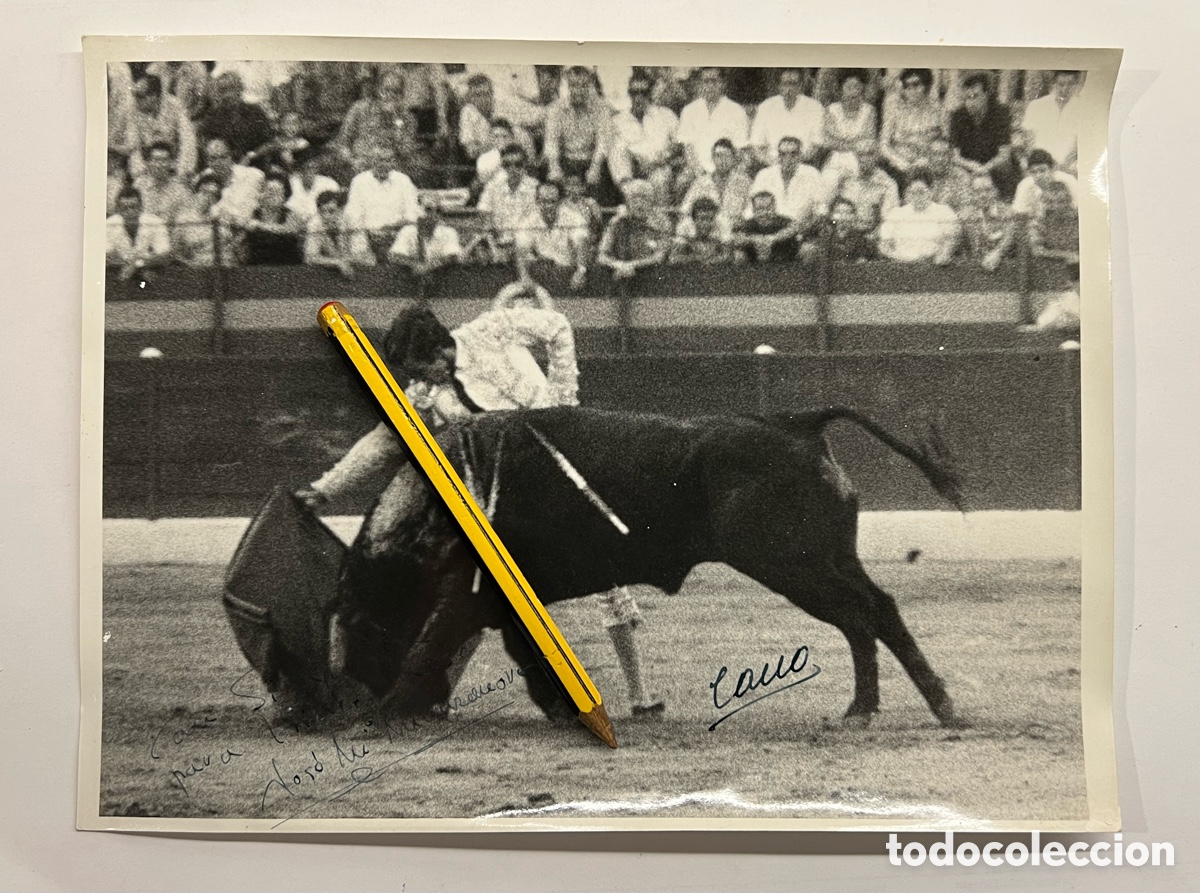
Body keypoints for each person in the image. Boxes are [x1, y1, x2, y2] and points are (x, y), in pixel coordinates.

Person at [301, 293, 663, 718]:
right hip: (507, 497)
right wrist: (326, 489)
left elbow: (557, 326)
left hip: (558, 468)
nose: (424, 382)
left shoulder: (489, 330)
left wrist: (561, 404)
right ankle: (437, 696)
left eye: (423, 369)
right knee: (476, 582)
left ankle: (640, 695)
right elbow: (386, 439)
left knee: (606, 579)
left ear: (438, 351)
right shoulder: (426, 391)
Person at [342, 144, 422, 265]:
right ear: (371, 161)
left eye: (388, 160)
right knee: (358, 239)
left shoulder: (403, 180)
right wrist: (371, 232)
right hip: (368, 234)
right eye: (379, 160)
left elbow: (413, 213)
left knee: (410, 232)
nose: (383, 164)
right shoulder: (359, 181)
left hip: (397, 233)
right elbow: (353, 215)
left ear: (393, 162)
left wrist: (393, 227)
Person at [544, 66, 614, 201]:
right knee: (552, 177)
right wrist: (554, 166)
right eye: (574, 85)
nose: (578, 91)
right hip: (566, 160)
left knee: (598, 183)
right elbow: (551, 141)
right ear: (568, 85)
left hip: (590, 159)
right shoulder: (555, 109)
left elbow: (603, 142)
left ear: (590, 85)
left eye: (583, 86)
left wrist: (595, 167)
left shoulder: (601, 109)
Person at [608, 71, 679, 205]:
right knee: (618, 149)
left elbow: (679, 145)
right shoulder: (618, 120)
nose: (639, 97)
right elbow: (616, 152)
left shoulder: (666, 115)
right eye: (635, 92)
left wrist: (659, 161)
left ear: (650, 93)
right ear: (630, 94)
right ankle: (630, 196)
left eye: (643, 92)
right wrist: (636, 161)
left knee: (660, 178)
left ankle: (659, 220)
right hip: (631, 170)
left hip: (660, 166)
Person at [745, 136, 827, 250]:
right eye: (783, 154)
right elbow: (750, 208)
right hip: (767, 230)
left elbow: (821, 210)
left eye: (793, 154)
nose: (788, 158)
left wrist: (804, 228)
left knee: (808, 249)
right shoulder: (764, 175)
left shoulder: (812, 174)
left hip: (800, 232)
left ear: (800, 156)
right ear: (778, 156)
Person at [949, 72, 1019, 201]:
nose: (970, 102)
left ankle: (1006, 202)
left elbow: (1004, 154)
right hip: (969, 165)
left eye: (975, 96)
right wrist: (973, 166)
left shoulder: (1001, 113)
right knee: (957, 173)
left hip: (995, 164)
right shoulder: (957, 116)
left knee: (1006, 166)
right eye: (967, 97)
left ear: (986, 94)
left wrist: (985, 168)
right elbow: (955, 156)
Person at [515, 181, 591, 289]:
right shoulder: (528, 221)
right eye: (543, 201)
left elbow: (581, 244)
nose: (548, 206)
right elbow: (521, 250)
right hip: (540, 275)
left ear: (560, 201)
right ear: (537, 201)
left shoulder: (574, 217)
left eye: (552, 201)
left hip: (569, 274)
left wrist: (581, 271)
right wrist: (524, 277)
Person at [677, 68, 750, 177]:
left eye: (714, 81)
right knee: (681, 182)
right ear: (700, 84)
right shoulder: (689, 111)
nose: (710, 86)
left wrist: (725, 175)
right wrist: (700, 173)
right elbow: (688, 149)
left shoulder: (736, 111)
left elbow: (740, 151)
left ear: (722, 84)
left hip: (727, 172)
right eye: (706, 81)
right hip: (696, 171)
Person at [879, 68, 945, 187]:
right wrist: (901, 163)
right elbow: (884, 145)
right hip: (898, 165)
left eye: (916, 85)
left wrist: (926, 160)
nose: (911, 90)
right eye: (907, 86)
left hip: (928, 163)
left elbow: (944, 142)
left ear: (926, 86)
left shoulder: (937, 109)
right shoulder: (894, 108)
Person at [125, 74, 198, 179]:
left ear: (154, 96)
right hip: (149, 166)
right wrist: (140, 174)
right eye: (134, 94)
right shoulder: (133, 110)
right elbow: (133, 147)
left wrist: (182, 172)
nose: (135, 100)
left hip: (175, 164)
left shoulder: (175, 106)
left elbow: (188, 142)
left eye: (140, 96)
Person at [750, 68, 826, 167]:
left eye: (793, 84)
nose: (789, 89)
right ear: (779, 86)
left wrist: (794, 163)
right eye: (785, 84)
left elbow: (817, 145)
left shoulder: (815, 107)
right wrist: (773, 164)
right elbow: (757, 145)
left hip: (804, 164)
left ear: (801, 86)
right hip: (772, 164)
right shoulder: (766, 107)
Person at [476, 142, 540, 261]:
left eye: (518, 164)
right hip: (498, 241)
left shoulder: (535, 188)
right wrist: (495, 246)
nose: (512, 169)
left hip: (526, 244)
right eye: (507, 165)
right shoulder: (493, 185)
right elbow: (484, 213)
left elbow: (535, 223)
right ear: (502, 166)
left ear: (525, 165)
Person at [878, 173, 960, 265]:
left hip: (932, 266)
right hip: (901, 265)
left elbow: (951, 240)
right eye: (913, 193)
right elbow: (884, 245)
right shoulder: (896, 214)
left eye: (921, 192)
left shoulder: (944, 212)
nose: (917, 197)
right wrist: (896, 257)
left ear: (931, 191)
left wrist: (943, 255)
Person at [596, 179, 671, 280]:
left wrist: (633, 265)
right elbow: (601, 256)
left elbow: (660, 256)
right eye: (634, 199)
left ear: (652, 201)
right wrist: (619, 265)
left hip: (653, 276)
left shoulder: (661, 222)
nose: (639, 204)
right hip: (621, 276)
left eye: (644, 198)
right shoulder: (617, 222)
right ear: (627, 202)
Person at [678, 138, 754, 234]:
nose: (723, 160)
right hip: (706, 231)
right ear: (713, 158)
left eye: (727, 156)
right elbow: (686, 209)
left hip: (734, 231)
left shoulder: (744, 182)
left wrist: (742, 221)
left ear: (733, 158)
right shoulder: (701, 182)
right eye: (718, 156)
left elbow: (750, 208)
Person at [196, 72, 274, 161]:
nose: (228, 95)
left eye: (232, 89)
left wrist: (252, 156)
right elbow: (203, 140)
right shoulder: (213, 116)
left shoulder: (255, 112)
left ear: (240, 90)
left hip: (255, 163)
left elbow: (270, 142)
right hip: (224, 166)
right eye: (223, 90)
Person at [835, 138, 901, 240]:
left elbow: (888, 220)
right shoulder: (846, 179)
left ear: (877, 157)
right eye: (860, 154)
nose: (864, 159)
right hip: (844, 233)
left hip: (870, 236)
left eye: (869, 154)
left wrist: (872, 236)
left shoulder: (888, 185)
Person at [1021, 70, 1084, 176]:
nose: (1065, 89)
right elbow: (1028, 141)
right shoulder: (1036, 105)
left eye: (1070, 84)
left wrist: (1063, 166)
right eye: (1061, 84)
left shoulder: (1083, 108)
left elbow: (1080, 144)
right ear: (1053, 84)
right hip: (1038, 163)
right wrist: (1039, 163)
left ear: (1077, 85)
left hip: (1069, 166)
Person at [106, 186, 172, 279]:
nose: (129, 212)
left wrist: (135, 266)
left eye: (133, 207)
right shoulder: (108, 224)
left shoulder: (155, 222)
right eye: (125, 208)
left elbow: (164, 253)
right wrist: (133, 265)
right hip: (119, 271)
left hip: (149, 270)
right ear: (118, 209)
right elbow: (107, 255)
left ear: (141, 207)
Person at [388, 196, 464, 276]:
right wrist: (415, 264)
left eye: (438, 211)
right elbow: (394, 256)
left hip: (440, 276)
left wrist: (427, 267)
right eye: (428, 209)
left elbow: (452, 256)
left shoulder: (448, 232)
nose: (433, 214)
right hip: (411, 277)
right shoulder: (407, 230)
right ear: (418, 211)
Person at [198, 137, 265, 227]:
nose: (218, 162)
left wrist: (215, 214)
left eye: (223, 157)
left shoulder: (251, 176)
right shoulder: (205, 180)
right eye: (213, 158)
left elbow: (243, 217)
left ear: (231, 157)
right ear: (207, 162)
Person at [238, 175, 303, 265]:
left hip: (287, 267)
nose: (270, 195)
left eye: (276, 192)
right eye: (268, 190)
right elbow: (241, 238)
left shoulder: (291, 214)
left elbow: (290, 229)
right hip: (257, 267)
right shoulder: (253, 213)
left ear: (284, 196)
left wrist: (261, 226)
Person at [172, 173, 231, 267]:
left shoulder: (223, 217)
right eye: (204, 192)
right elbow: (176, 251)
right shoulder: (183, 219)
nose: (208, 198)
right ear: (196, 193)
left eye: (213, 194)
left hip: (224, 267)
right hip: (195, 269)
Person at [959, 175, 1016, 271]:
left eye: (987, 190)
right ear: (971, 194)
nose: (983, 195)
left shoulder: (1008, 211)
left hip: (1007, 269)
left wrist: (998, 253)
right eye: (977, 191)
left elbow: (1009, 236)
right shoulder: (965, 215)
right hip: (977, 271)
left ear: (995, 191)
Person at [822, 69, 878, 163]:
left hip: (863, 158)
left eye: (856, 86)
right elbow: (827, 140)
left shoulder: (869, 110)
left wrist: (843, 144)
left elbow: (870, 139)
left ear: (862, 88)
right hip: (837, 158)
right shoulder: (832, 109)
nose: (852, 92)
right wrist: (854, 145)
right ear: (841, 89)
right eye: (848, 87)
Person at [131, 141, 192, 227]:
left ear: (172, 163)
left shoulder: (180, 189)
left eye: (164, 160)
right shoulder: (139, 185)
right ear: (148, 163)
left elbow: (185, 218)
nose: (159, 165)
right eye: (155, 160)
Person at [731, 191, 800, 263]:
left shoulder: (783, 221)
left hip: (782, 260)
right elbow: (737, 236)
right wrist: (754, 239)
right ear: (753, 210)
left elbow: (794, 228)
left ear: (774, 208)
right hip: (754, 261)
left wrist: (773, 238)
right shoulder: (748, 224)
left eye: (768, 208)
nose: (764, 213)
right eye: (760, 209)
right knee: (738, 254)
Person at [303, 188, 354, 277]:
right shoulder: (314, 224)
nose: (326, 216)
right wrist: (337, 262)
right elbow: (310, 258)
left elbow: (366, 258)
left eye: (331, 211)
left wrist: (345, 260)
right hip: (324, 274)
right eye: (322, 211)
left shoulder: (350, 222)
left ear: (340, 210)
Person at [669, 196, 732, 264]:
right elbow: (674, 258)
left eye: (710, 219)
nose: (706, 223)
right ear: (694, 219)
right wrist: (696, 258)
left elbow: (728, 255)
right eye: (702, 219)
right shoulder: (685, 226)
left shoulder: (721, 225)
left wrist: (712, 260)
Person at [823, 197, 879, 263]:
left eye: (848, 212)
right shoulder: (824, 241)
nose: (843, 217)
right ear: (831, 216)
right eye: (838, 212)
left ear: (854, 216)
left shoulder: (864, 243)